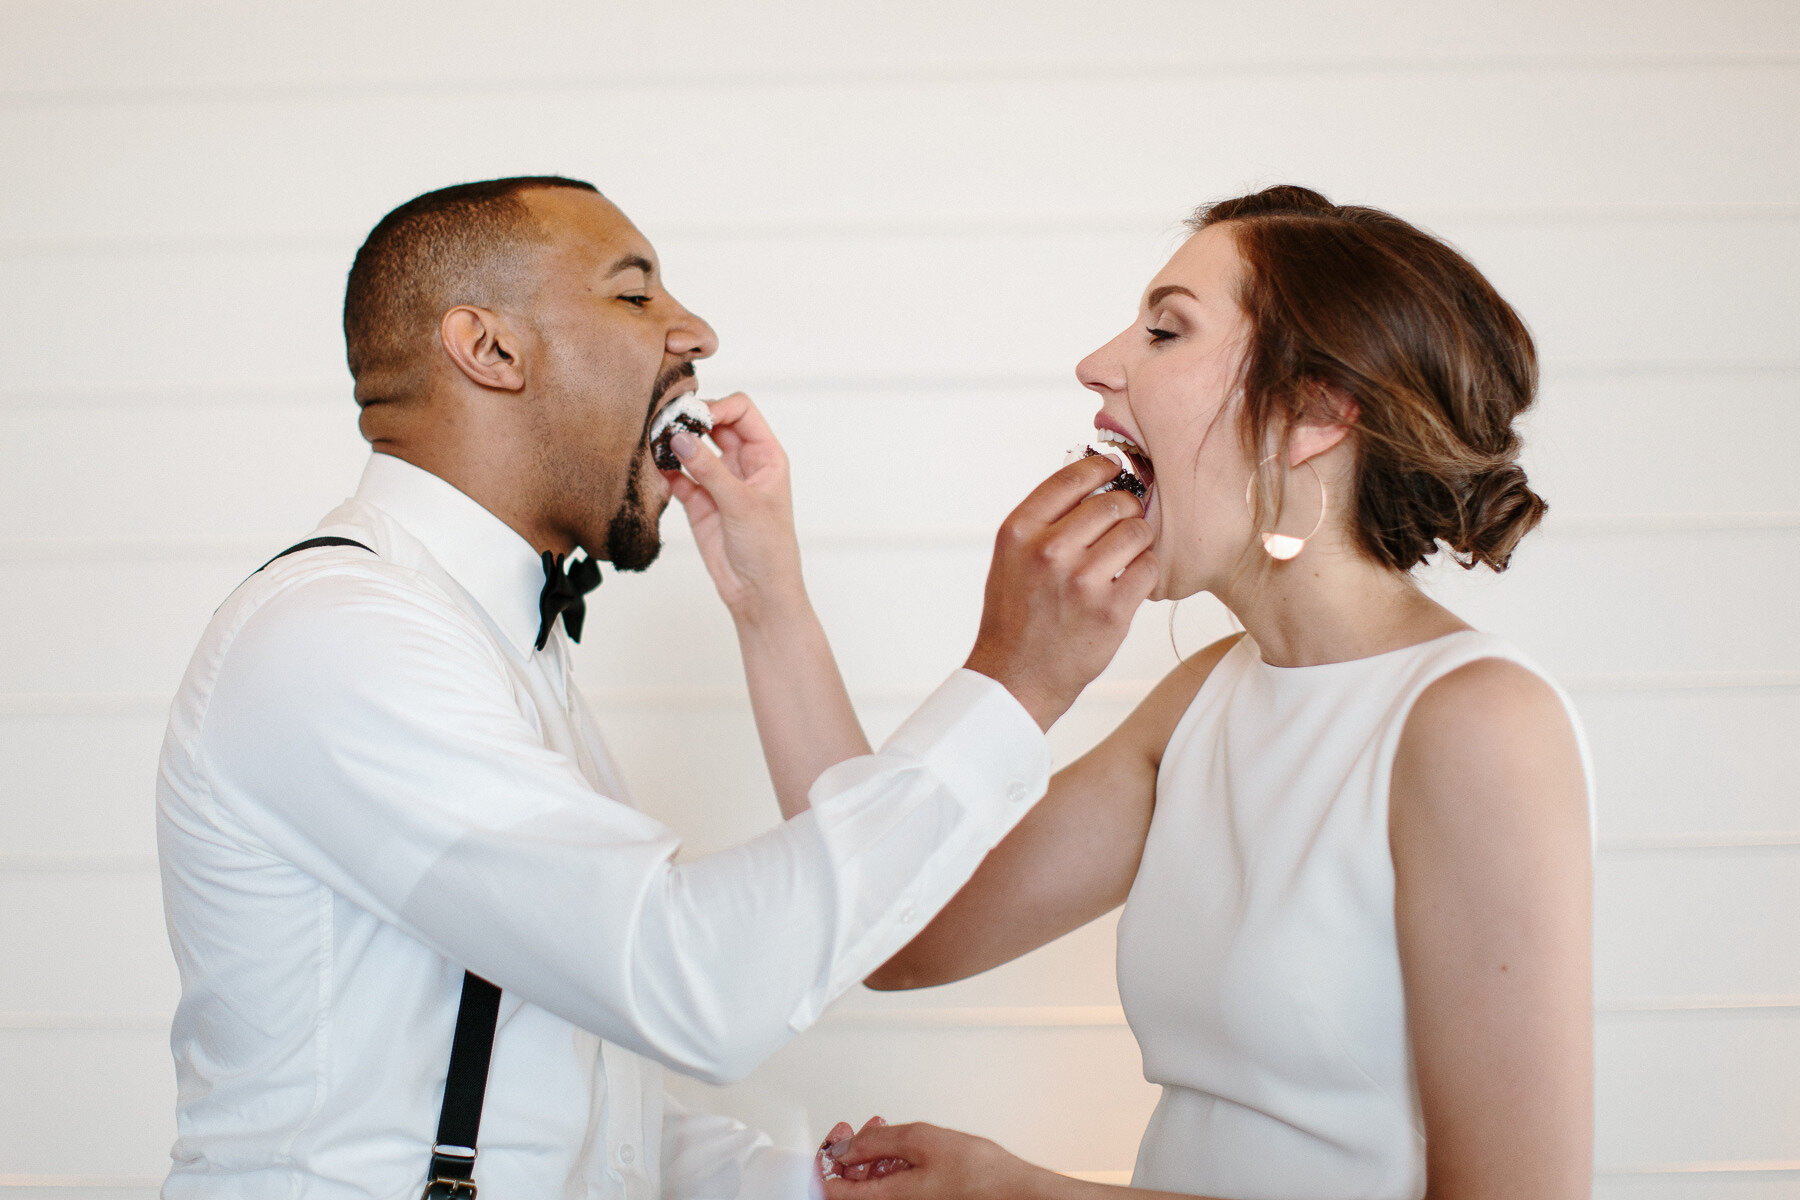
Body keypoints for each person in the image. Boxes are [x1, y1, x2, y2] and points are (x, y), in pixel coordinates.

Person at [155, 175, 1156, 1200]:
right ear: (489, 349)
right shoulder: (340, 638)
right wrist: (1014, 682)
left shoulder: (488, 642)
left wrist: (806, 1185)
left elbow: (544, 1099)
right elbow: (688, 984)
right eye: (635, 295)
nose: (698, 332)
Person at [817, 186, 1595, 1200]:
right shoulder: (1205, 699)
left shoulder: (1477, 722)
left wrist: (1019, 1192)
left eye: (1166, 329)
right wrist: (766, 589)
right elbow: (892, 931)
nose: (1099, 363)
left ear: (1314, 410)